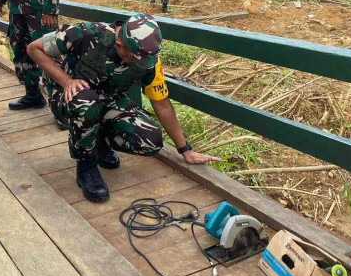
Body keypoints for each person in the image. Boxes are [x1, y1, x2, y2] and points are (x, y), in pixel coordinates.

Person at [27, 13, 220, 202]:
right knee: (86, 101)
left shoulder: (147, 59)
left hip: (110, 102)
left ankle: (100, 142)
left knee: (150, 141)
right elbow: (34, 49)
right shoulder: (86, 33)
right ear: (120, 44)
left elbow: (161, 103)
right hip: (71, 98)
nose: (140, 63)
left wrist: (185, 149)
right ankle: (86, 165)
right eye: (136, 58)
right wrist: (66, 81)